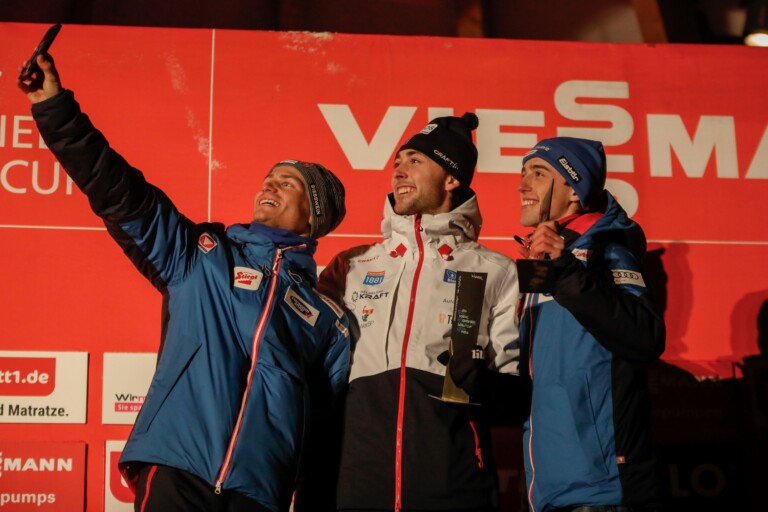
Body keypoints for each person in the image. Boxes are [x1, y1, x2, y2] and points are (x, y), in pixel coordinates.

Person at [18, 53, 350, 512]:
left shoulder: (330, 320)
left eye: (288, 183)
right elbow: (118, 190)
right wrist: (54, 107)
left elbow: (323, 429)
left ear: (314, 216)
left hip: (259, 490)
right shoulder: (203, 254)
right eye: (268, 178)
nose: (268, 186)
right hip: (178, 467)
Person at [319, 112, 527, 511]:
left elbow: (515, 394)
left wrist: (480, 382)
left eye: (415, 160)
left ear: (452, 178)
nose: (399, 170)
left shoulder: (497, 270)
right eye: (397, 162)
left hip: (454, 483)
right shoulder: (352, 264)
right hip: (358, 483)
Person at [515, 137, 666, 512]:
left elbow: (645, 337)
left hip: (602, 491)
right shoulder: (543, 258)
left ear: (574, 189)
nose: (522, 185)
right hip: (546, 488)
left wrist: (566, 270)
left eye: (538, 173)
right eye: (523, 173)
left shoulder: (607, 248)